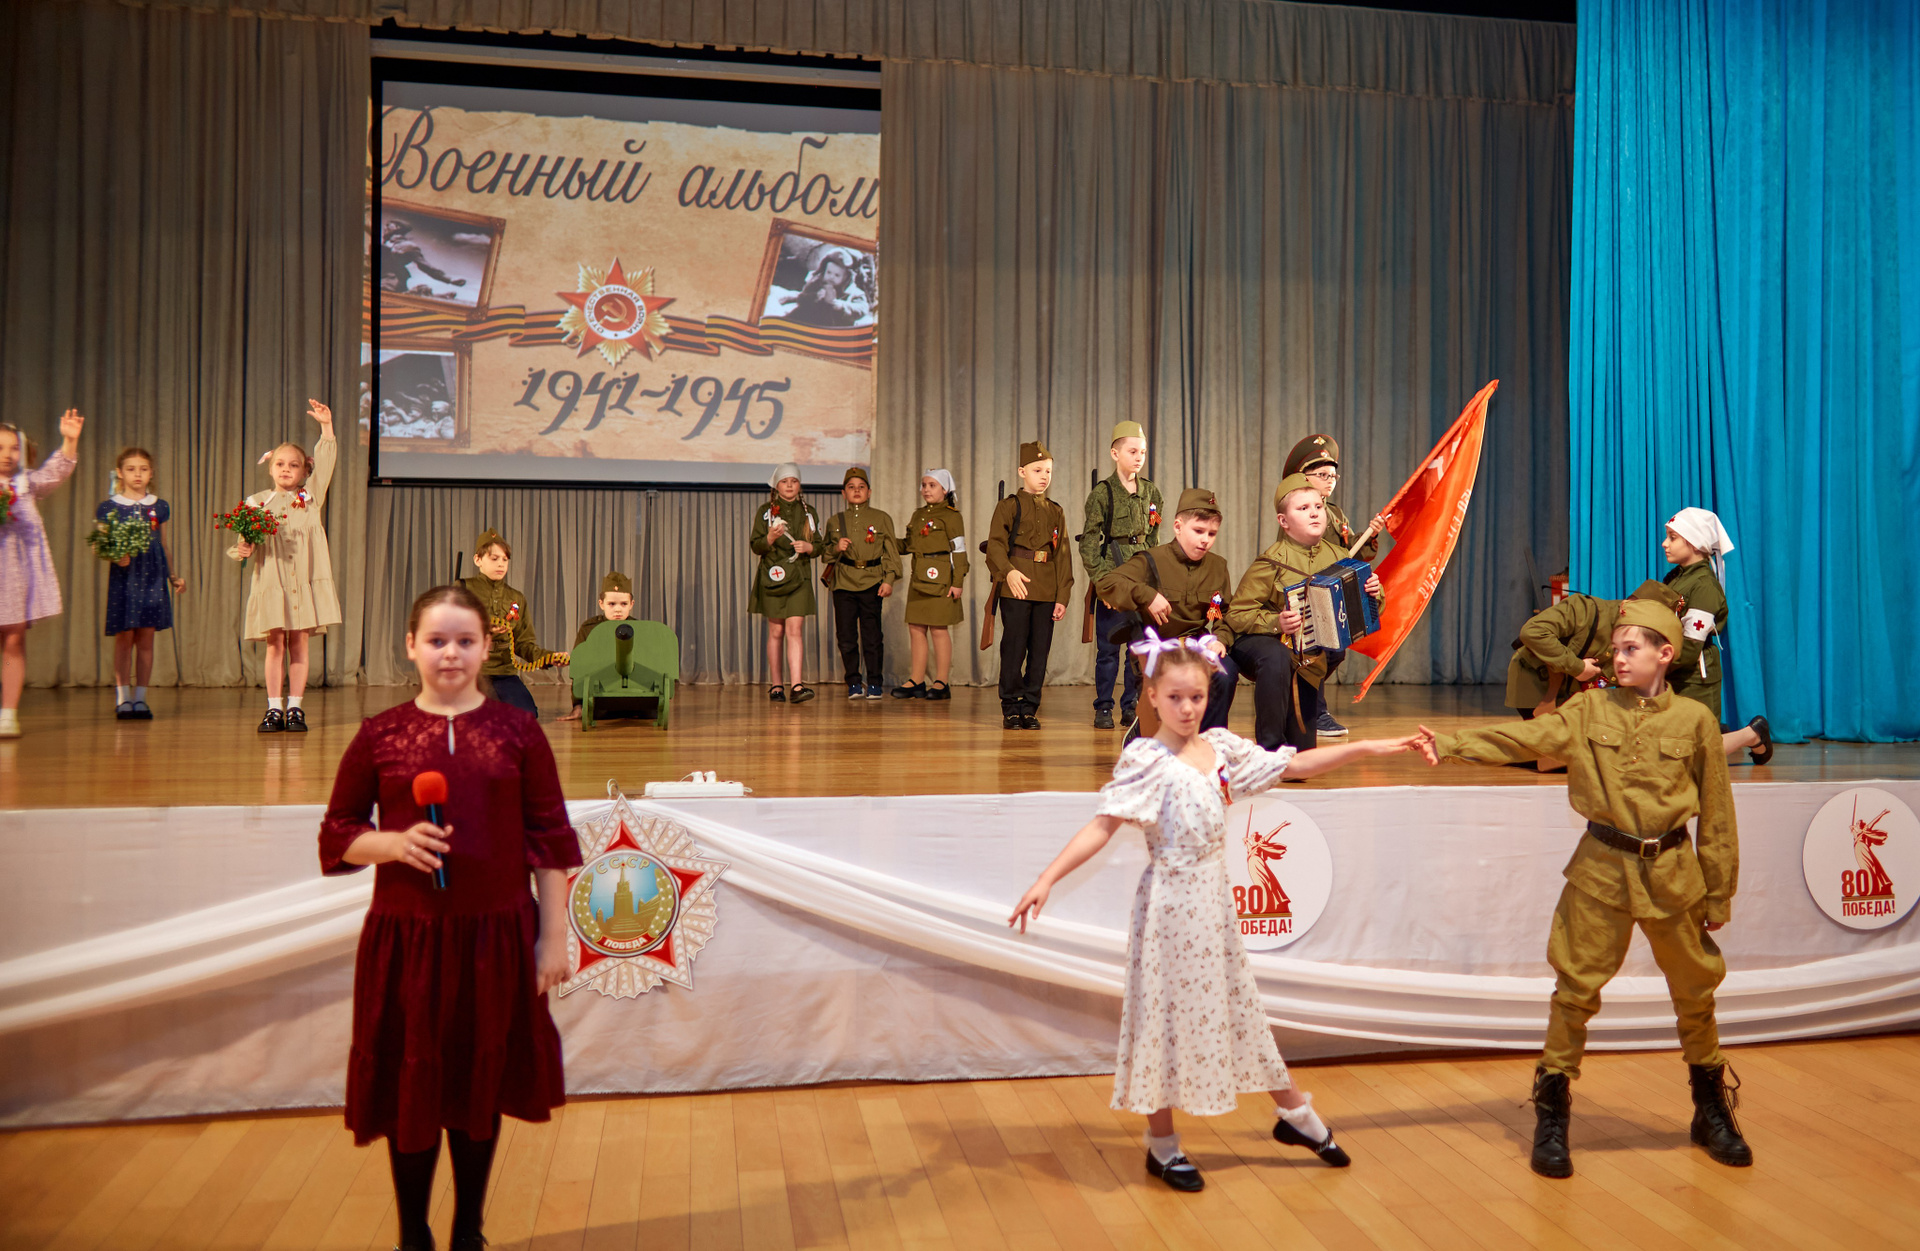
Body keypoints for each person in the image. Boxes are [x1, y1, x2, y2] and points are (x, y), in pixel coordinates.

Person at [1009, 640, 1433, 1192]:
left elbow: (1295, 763)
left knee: (1239, 1006)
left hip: (1213, 901)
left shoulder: (1220, 749)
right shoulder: (1146, 761)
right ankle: (1163, 1144)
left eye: (1197, 697)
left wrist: (1374, 747)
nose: (1187, 708)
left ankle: (1294, 1112)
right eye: (1175, 698)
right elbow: (1102, 826)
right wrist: (1046, 878)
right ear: (1153, 697)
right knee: (1161, 1017)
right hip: (1169, 905)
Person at [1415, 599, 1752, 1180]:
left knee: (1696, 993)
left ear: (1665, 654)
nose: (1617, 659)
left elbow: (1718, 814)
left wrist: (1718, 894)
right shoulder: (1589, 708)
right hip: (1601, 872)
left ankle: (1710, 1108)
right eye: (1615, 649)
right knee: (1574, 991)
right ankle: (1552, 1112)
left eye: (1630, 649)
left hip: (1673, 875)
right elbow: (1528, 738)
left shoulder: (1695, 721)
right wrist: (1450, 743)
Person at [319, 583, 579, 1251]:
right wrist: (392, 844)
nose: (451, 653)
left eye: (465, 640)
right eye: (437, 640)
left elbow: (551, 840)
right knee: (413, 1084)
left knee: (477, 1080)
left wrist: (552, 938)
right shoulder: (380, 734)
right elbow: (338, 831)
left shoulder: (519, 732)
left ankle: (469, 1230)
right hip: (408, 941)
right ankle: (414, 1236)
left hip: (498, 937)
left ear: (487, 648)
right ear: (411, 646)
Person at [1226, 474, 1383, 754]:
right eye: (1303, 508)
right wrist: (1276, 622)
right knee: (1277, 657)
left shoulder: (1340, 555)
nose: (1314, 513)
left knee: (1303, 755)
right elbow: (1237, 614)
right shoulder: (1271, 561)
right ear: (1283, 522)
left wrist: (1374, 592)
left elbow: (1365, 610)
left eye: (1318, 506)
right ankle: (1268, 751)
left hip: (1308, 655)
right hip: (1265, 644)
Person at [228, 399, 340, 734]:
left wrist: (326, 427)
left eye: (294, 465)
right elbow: (243, 542)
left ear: (305, 471)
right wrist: (243, 548)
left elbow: (326, 460)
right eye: (280, 464)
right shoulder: (257, 503)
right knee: (275, 644)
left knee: (299, 643)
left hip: (302, 582)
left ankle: (295, 708)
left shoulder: (310, 498)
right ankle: (274, 708)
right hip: (273, 583)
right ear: (270, 467)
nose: (286, 469)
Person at [1096, 487, 1236, 740]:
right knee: (1173, 686)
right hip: (1158, 648)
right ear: (1178, 526)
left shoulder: (1218, 566)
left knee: (1226, 673)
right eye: (1198, 531)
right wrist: (1146, 595)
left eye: (1212, 533)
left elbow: (1225, 613)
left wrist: (1220, 640)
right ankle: (1148, 730)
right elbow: (1107, 584)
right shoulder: (1152, 559)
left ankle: (1210, 744)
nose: (1205, 540)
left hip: (1197, 646)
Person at [1280, 434, 1378, 740]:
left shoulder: (1334, 513)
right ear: (1303, 477)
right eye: (1322, 475)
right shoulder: (1298, 511)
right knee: (1317, 650)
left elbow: (1349, 553)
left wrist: (1371, 533)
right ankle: (1315, 711)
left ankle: (1307, 703)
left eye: (1333, 476)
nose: (1329, 481)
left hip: (1333, 591)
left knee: (1335, 651)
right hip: (1308, 589)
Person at [0, 409, 83, 739]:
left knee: (14, 639)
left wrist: (69, 440)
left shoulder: (26, 484)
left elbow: (54, 473)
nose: (7, 454)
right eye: (0, 448)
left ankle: (8, 713)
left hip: (14, 574)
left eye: (13, 447)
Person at [1664, 508, 1770, 762]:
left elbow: (1690, 646)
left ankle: (1752, 734)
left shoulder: (1703, 586)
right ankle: (1716, 730)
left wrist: (1654, 666)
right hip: (1673, 669)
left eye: (1672, 537)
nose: (1664, 544)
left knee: (1693, 755)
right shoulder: (1677, 576)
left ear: (1694, 542)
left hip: (1692, 675)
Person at [1079, 421, 1164, 729]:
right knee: (1108, 650)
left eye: (1143, 452)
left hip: (1141, 580)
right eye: (1132, 451)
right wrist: (1104, 586)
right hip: (1113, 577)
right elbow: (1090, 545)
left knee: (1138, 649)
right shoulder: (1102, 494)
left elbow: (1153, 539)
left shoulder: (1151, 492)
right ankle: (1103, 706)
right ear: (1115, 454)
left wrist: (1153, 582)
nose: (1139, 457)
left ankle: (1131, 705)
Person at [985, 441, 1073, 729]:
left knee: (1039, 653)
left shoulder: (1055, 511)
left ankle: (1030, 706)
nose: (1044, 476)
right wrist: (1008, 572)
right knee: (1013, 649)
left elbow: (1063, 555)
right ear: (1022, 471)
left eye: (1048, 471)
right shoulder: (1009, 506)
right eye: (1037, 470)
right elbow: (995, 545)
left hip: (1046, 588)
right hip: (1016, 585)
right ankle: (1011, 706)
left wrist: (1063, 595)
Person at [99, 447, 185, 720]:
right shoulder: (109, 507)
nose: (138, 474)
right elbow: (100, 544)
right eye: (131, 469)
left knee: (146, 639)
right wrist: (115, 555)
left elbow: (164, 545)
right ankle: (123, 698)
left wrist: (173, 576)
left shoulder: (159, 506)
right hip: (125, 578)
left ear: (151, 473)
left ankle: (141, 699)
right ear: (120, 473)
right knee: (124, 639)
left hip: (152, 576)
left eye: (143, 469)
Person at [462, 528, 566, 719]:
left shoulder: (516, 598)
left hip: (504, 672)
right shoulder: (463, 589)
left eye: (505, 559)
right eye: (494, 558)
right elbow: (448, 633)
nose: (501, 564)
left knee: (526, 716)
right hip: (471, 672)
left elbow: (524, 644)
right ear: (478, 560)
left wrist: (549, 657)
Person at [822, 466, 900, 699]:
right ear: (843, 493)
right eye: (851, 487)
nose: (856, 491)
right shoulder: (835, 521)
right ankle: (854, 682)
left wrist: (889, 580)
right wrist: (836, 548)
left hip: (872, 581)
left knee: (872, 636)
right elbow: (824, 553)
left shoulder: (881, 518)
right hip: (843, 583)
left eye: (861, 487)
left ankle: (875, 682)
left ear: (869, 492)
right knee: (846, 637)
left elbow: (891, 553)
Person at [750, 463, 822, 704]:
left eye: (794, 481)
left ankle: (797, 685)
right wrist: (770, 537)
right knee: (776, 631)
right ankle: (776, 685)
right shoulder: (765, 512)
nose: (790, 485)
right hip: (773, 576)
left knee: (794, 630)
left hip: (799, 577)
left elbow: (819, 545)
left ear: (800, 485)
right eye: (784, 481)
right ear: (776, 486)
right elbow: (756, 545)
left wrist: (809, 547)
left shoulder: (809, 512)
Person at [894, 469, 967, 700]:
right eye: (924, 485)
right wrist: (885, 540)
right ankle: (916, 680)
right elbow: (908, 545)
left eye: (932, 485)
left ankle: (941, 682)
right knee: (916, 628)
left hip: (942, 579)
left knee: (938, 629)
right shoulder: (918, 515)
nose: (926, 489)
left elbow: (959, 551)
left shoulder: (952, 516)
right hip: (919, 578)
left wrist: (957, 582)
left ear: (945, 490)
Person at [558, 571, 635, 722]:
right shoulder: (589, 628)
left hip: (634, 698)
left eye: (624, 604)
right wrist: (578, 705)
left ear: (631, 604)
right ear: (601, 604)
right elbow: (579, 668)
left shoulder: (641, 629)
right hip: (601, 700)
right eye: (611, 604)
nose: (618, 609)